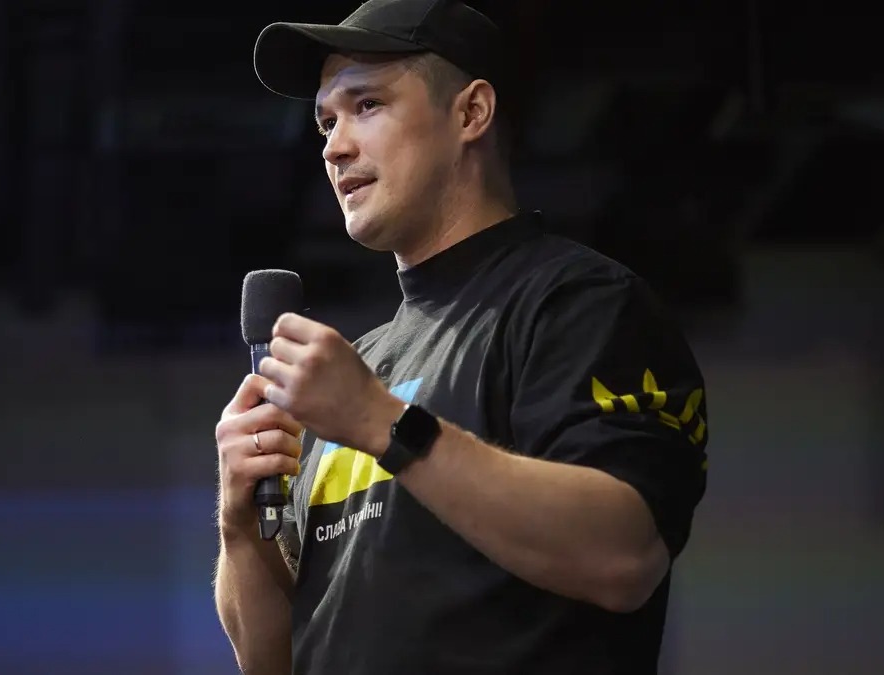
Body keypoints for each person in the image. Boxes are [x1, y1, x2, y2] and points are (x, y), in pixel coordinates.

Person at [212, 1, 710, 673]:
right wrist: (240, 525)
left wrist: (382, 423)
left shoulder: (579, 304)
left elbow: (624, 558)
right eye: (326, 121)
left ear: (472, 113)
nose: (333, 146)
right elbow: (272, 661)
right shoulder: (362, 367)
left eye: (367, 105)